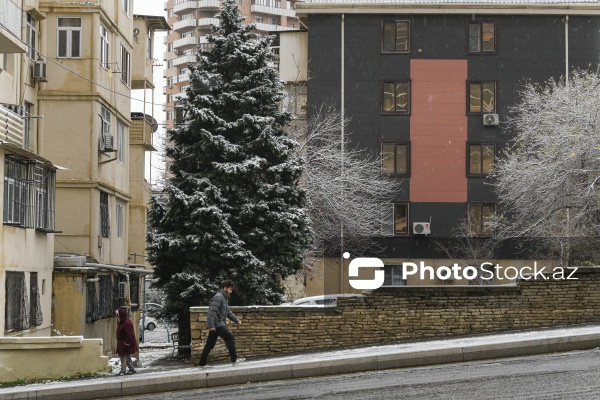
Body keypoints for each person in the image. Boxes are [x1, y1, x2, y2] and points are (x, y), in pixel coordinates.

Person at [199, 280, 245, 367]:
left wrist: (237, 320)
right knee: (230, 338)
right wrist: (211, 325)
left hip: (217, 325)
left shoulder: (224, 298)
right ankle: (234, 360)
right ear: (225, 288)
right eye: (230, 289)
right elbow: (211, 312)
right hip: (217, 325)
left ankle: (202, 364)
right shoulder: (219, 297)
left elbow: (228, 312)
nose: (231, 292)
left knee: (209, 344)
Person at [116, 307, 138, 375]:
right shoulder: (124, 322)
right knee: (126, 356)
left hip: (124, 344)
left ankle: (124, 370)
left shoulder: (126, 323)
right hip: (123, 343)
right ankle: (131, 369)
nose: (117, 318)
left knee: (123, 357)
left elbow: (130, 334)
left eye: (118, 317)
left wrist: (126, 343)